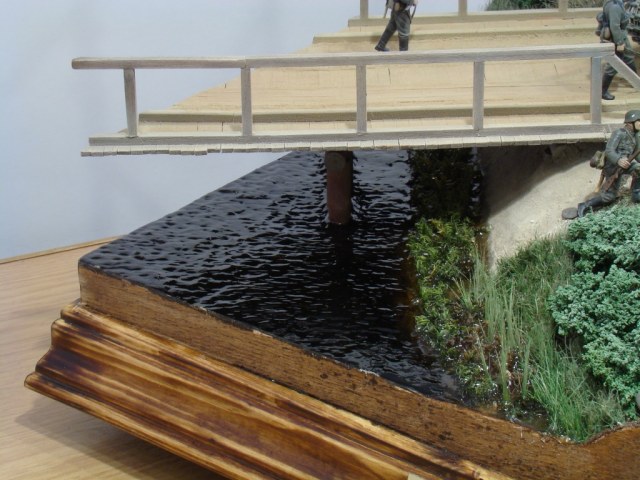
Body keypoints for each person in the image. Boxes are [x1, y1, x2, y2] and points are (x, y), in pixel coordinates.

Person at [577, 109, 640, 217]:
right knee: (609, 197)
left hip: (627, 164)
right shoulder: (619, 133)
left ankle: (636, 194)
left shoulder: (635, 136)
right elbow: (609, 150)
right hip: (613, 166)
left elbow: (636, 154)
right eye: (639, 121)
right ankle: (585, 205)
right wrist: (619, 160)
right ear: (630, 123)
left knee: (638, 169)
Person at [600, 0, 638, 100]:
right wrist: (620, 42)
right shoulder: (615, 6)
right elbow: (615, 27)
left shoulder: (615, 2)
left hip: (621, 34)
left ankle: (635, 80)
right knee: (614, 64)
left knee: (629, 57)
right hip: (617, 37)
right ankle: (603, 91)